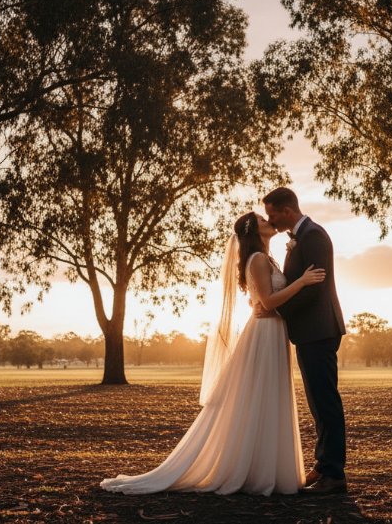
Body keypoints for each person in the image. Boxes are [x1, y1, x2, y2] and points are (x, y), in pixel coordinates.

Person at [100, 211, 325, 495]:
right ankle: (254, 471)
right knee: (260, 396)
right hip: (264, 334)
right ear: (255, 231)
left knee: (267, 398)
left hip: (273, 333)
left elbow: (263, 300)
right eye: (262, 220)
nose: (269, 221)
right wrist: (302, 282)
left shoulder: (265, 258)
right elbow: (267, 302)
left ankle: (264, 467)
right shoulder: (256, 259)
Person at [263, 186, 348, 494]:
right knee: (318, 401)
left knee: (325, 402)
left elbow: (314, 287)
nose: (270, 220)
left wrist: (279, 309)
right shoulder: (302, 237)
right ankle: (323, 466)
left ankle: (334, 475)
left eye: (273, 214)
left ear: (287, 211)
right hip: (311, 330)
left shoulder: (313, 236)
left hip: (319, 329)